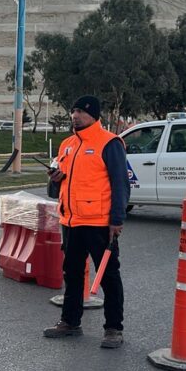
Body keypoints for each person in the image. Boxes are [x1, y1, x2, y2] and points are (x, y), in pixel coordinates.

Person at [44, 95, 131, 348]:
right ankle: (70, 322)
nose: (75, 116)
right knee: (72, 274)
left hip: (99, 222)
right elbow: (56, 189)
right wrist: (55, 179)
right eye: (73, 111)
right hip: (71, 221)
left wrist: (117, 219)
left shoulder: (110, 143)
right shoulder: (67, 145)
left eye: (81, 111)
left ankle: (113, 328)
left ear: (94, 115)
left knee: (108, 276)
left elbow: (120, 183)